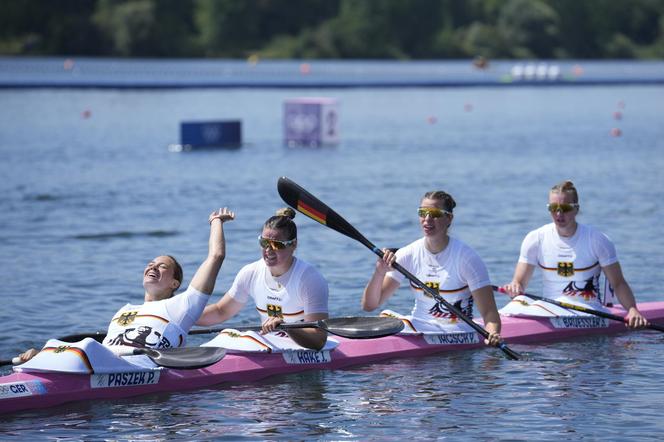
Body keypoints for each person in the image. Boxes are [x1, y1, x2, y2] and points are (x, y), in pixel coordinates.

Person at [17, 207, 235, 363]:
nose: (153, 267)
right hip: (99, 363)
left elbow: (215, 256)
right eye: (150, 264)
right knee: (59, 345)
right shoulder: (124, 310)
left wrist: (216, 221)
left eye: (161, 267)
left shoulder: (183, 306)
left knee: (87, 345)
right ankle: (43, 357)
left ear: (175, 283)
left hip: (135, 366)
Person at [362, 190, 502, 346]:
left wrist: (493, 334)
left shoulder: (467, 259)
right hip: (418, 326)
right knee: (385, 316)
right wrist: (379, 273)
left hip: (459, 331)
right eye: (422, 213)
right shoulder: (407, 254)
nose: (427, 219)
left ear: (449, 218)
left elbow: (490, 315)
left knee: (393, 321)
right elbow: (369, 306)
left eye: (434, 213)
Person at [500, 180, 647, 328]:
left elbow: (618, 283)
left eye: (565, 208)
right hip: (548, 307)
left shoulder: (597, 240)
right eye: (553, 208)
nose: (558, 213)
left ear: (576, 209)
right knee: (516, 303)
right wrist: (514, 287)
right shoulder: (535, 239)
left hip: (588, 311)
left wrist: (632, 310)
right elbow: (519, 283)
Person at [196, 208, 329, 351]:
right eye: (264, 243)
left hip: (301, 347)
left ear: (293, 244)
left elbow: (319, 340)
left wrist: (286, 327)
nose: (268, 250)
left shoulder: (310, 279)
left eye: (276, 244)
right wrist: (182, 316)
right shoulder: (250, 273)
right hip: (267, 344)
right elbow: (220, 311)